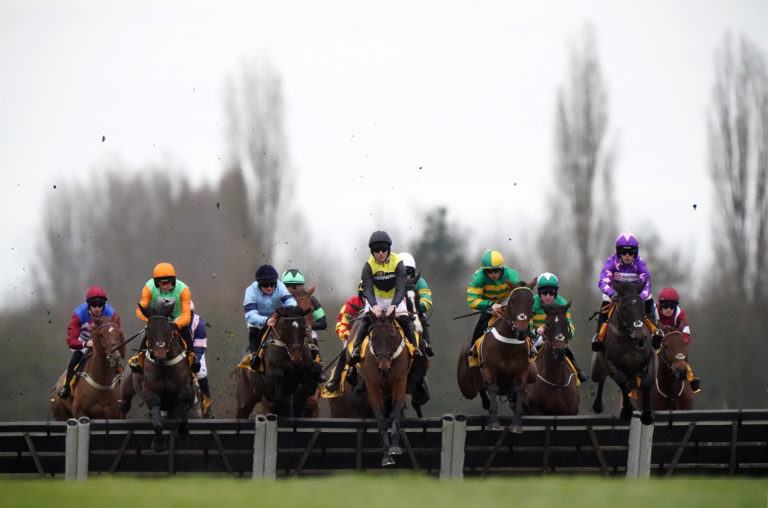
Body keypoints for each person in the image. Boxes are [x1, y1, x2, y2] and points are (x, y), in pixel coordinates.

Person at [349, 231, 420, 364]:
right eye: (376, 250)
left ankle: (415, 347)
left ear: (389, 250)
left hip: (395, 298)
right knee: (365, 320)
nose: (380, 253)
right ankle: (357, 348)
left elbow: (400, 286)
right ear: (372, 251)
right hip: (376, 299)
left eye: (384, 249)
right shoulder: (368, 266)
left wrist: (393, 305)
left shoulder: (398, 263)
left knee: (405, 319)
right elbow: (368, 289)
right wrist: (375, 307)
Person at [592, 233, 664, 352]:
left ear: (635, 253)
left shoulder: (640, 263)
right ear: (618, 252)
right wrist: (611, 293)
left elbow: (646, 284)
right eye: (623, 252)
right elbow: (603, 282)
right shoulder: (610, 262)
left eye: (631, 253)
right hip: (616, 293)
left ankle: (655, 331)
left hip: (635, 294)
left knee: (649, 298)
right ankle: (599, 336)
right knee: (605, 300)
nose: (627, 256)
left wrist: (640, 297)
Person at [132, 262, 199, 373]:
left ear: (173, 281)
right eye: (161, 283)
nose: (165, 286)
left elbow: (187, 315)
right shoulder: (148, 288)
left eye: (168, 283)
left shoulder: (184, 289)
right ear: (156, 283)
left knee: (185, 332)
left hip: (177, 319)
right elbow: (139, 310)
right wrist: (152, 321)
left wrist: (177, 324)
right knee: (147, 333)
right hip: (157, 319)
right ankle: (138, 358)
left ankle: (193, 358)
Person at [58, 286, 121, 399]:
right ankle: (67, 387)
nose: (97, 308)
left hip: (104, 343)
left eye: (100, 305)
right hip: (85, 342)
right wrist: (85, 344)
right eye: (94, 305)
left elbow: (117, 335)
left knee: (117, 360)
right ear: (88, 304)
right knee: (74, 360)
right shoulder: (79, 314)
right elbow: (71, 341)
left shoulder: (111, 314)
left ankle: (122, 386)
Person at [529, 272, 589, 382]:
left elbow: (570, 326)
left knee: (565, 348)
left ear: (556, 292)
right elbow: (527, 325)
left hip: (556, 338)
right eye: (544, 292)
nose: (548, 296)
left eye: (551, 292)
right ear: (538, 292)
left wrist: (565, 332)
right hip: (535, 338)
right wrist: (536, 331)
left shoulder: (562, 302)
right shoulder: (532, 302)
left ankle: (577, 371)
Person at [465, 249, 521, 358]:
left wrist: (507, 306)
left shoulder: (511, 275)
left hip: (506, 301)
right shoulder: (479, 277)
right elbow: (472, 301)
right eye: (489, 272)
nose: (493, 275)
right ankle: (473, 347)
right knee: (483, 319)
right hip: (487, 304)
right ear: (484, 271)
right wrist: (491, 305)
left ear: (502, 269)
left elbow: (518, 296)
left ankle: (531, 342)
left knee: (520, 319)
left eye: (496, 271)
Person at [243, 264, 297, 370]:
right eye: (265, 285)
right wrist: (266, 320)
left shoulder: (280, 286)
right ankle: (255, 355)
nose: (269, 288)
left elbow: (291, 302)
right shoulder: (250, 291)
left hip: (278, 318)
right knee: (253, 329)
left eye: (272, 285)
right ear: (259, 284)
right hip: (258, 321)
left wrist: (286, 312)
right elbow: (250, 315)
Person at [281, 268, 328, 381]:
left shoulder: (311, 299)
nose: (293, 289)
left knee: (313, 336)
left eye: (297, 286)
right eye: (288, 286)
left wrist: (307, 326)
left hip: (304, 332)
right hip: (283, 332)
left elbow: (323, 322)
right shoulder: (279, 298)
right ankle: (256, 357)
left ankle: (317, 367)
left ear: (302, 286)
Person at [324, 280, 366, 394]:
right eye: (365, 295)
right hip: (353, 338)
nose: (368, 299)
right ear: (361, 295)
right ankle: (335, 381)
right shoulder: (350, 304)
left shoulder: (380, 303)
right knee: (346, 351)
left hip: (374, 338)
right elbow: (341, 327)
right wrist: (351, 335)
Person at [656, 287, 701, 392]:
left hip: (671, 345)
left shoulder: (680, 313)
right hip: (655, 342)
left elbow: (686, 334)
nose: (668, 309)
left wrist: (679, 343)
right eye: (665, 306)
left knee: (679, 356)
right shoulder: (653, 311)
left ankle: (691, 379)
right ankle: (635, 382)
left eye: (672, 307)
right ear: (660, 305)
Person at [398, 252, 434, 356]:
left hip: (414, 313)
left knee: (422, 317)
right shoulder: (392, 282)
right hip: (396, 313)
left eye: (408, 272)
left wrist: (417, 304)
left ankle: (426, 343)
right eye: (402, 273)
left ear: (413, 273)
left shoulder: (420, 282)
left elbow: (427, 302)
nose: (405, 277)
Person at [189, 302, 215, 418]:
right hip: (175, 355)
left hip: (195, 353)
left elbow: (199, 348)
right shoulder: (171, 320)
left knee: (200, 374)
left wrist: (192, 363)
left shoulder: (198, 323)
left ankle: (208, 408)